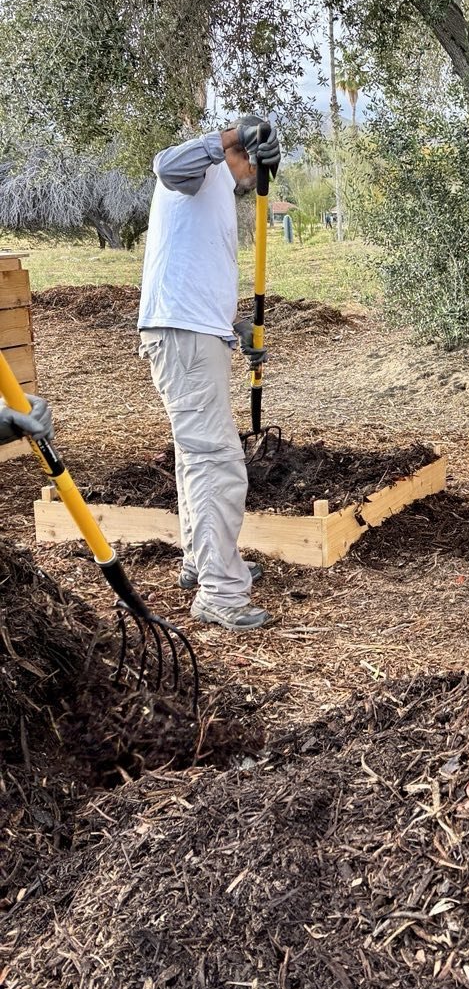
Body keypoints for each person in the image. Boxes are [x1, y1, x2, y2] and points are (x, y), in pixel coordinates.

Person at [138, 116, 281, 632]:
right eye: (256, 159)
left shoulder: (219, 184)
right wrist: (231, 139)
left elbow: (194, 267)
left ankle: (202, 560)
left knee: (196, 453)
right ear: (240, 147)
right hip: (183, 336)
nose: (256, 176)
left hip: (196, 334)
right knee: (217, 459)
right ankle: (220, 592)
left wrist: (235, 327)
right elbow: (164, 165)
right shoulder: (201, 165)